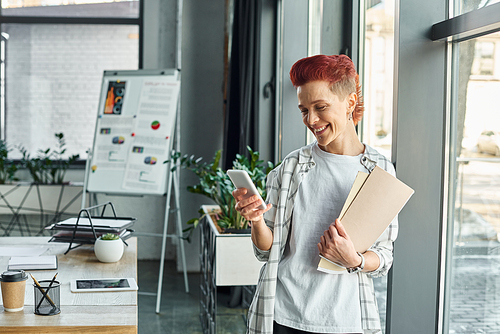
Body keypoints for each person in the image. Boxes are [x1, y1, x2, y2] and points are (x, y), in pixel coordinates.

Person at [232, 54, 398, 334]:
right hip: (283, 314)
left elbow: (383, 257)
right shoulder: (291, 168)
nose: (312, 120)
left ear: (350, 102)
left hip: (346, 321)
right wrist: (257, 220)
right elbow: (266, 252)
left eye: (321, 107)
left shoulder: (379, 170)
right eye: (304, 110)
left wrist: (354, 260)